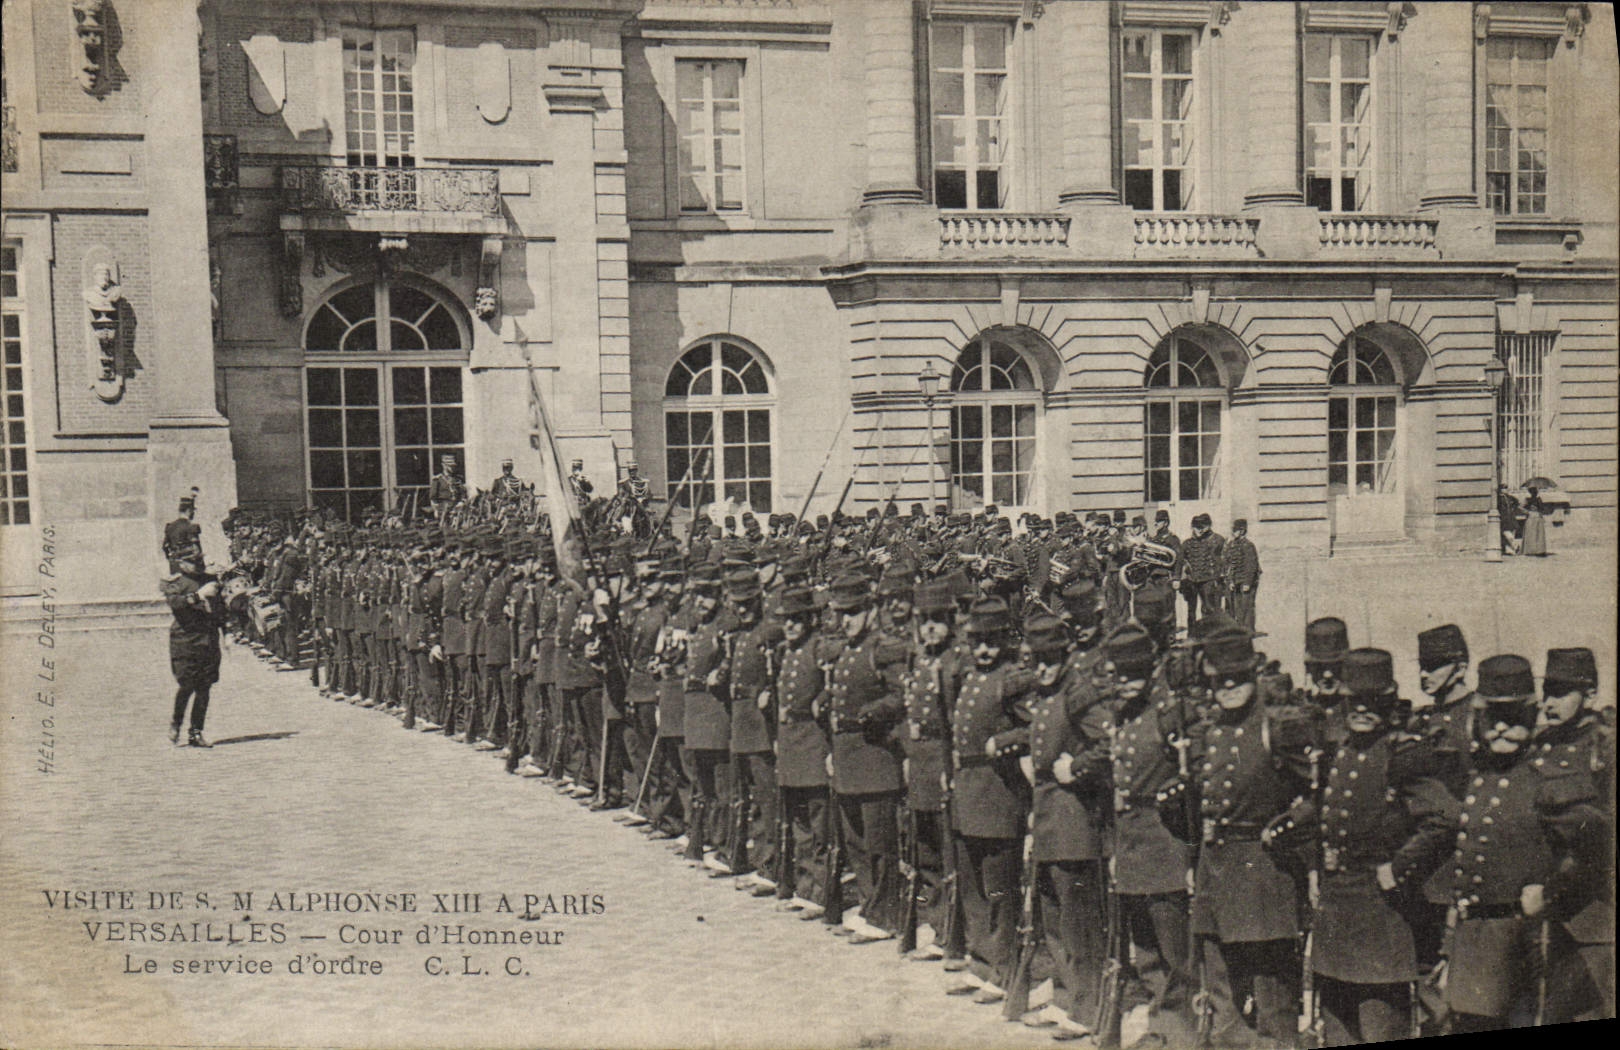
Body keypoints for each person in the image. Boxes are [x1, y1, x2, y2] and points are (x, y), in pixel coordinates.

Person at [162, 542, 225, 747]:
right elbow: (176, 604)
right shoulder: (175, 582)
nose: (196, 564)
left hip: (207, 639)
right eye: (191, 561)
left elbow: (220, 609)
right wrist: (198, 596)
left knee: (204, 687)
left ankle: (196, 731)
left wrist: (228, 632)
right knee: (186, 685)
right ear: (181, 562)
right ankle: (176, 721)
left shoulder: (210, 580)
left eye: (198, 560)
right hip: (185, 640)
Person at [1178, 514, 1226, 625]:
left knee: (1209, 609)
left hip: (1208, 580)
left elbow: (1225, 559)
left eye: (1203, 526)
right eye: (1196, 526)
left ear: (1209, 526)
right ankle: (1192, 635)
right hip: (1191, 581)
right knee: (1191, 611)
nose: (1199, 529)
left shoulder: (1218, 540)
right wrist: (1179, 578)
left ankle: (1209, 635)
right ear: (1192, 527)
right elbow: (1179, 562)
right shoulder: (1186, 543)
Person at [1221, 518, 1260, 632]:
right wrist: (1231, 581)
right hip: (1237, 580)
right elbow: (1230, 564)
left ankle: (1248, 630)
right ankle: (1241, 630)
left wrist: (1247, 583)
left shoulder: (1248, 545)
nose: (1233, 533)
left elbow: (1251, 566)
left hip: (1247, 581)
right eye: (1233, 530)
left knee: (1247, 607)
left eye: (1235, 530)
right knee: (1238, 607)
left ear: (1242, 531)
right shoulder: (1232, 545)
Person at [162, 490, 202, 572]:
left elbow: (164, 547)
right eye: (193, 511)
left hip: (174, 567)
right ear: (189, 511)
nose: (193, 514)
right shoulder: (191, 527)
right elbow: (197, 550)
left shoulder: (170, 526)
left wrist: (172, 559)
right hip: (190, 569)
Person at [429, 454, 465, 519]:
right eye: (449, 466)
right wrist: (436, 510)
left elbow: (463, 494)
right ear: (444, 465)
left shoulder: (457, 479)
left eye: (453, 466)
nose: (452, 468)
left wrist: (461, 503)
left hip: (456, 509)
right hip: (442, 510)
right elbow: (433, 497)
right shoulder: (437, 480)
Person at [1522, 486, 1549, 557]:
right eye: (1533, 492)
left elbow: (1542, 509)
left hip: (1535, 517)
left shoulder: (1536, 500)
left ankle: (1536, 550)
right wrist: (1528, 512)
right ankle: (1535, 550)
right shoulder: (1529, 500)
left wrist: (1528, 512)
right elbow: (1521, 507)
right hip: (1534, 516)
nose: (1535, 493)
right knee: (1535, 534)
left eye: (1535, 492)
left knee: (1536, 534)